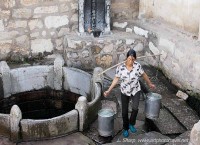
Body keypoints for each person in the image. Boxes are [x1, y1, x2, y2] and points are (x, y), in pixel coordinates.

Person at [104, 49, 155, 138]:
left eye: (132, 59)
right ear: (126, 58)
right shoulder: (120, 68)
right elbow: (116, 79)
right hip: (125, 91)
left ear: (135, 59)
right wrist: (109, 90)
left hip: (136, 90)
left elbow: (144, 75)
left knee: (135, 108)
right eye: (129, 59)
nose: (130, 61)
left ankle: (131, 123)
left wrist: (149, 83)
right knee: (124, 112)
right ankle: (126, 128)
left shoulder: (137, 66)